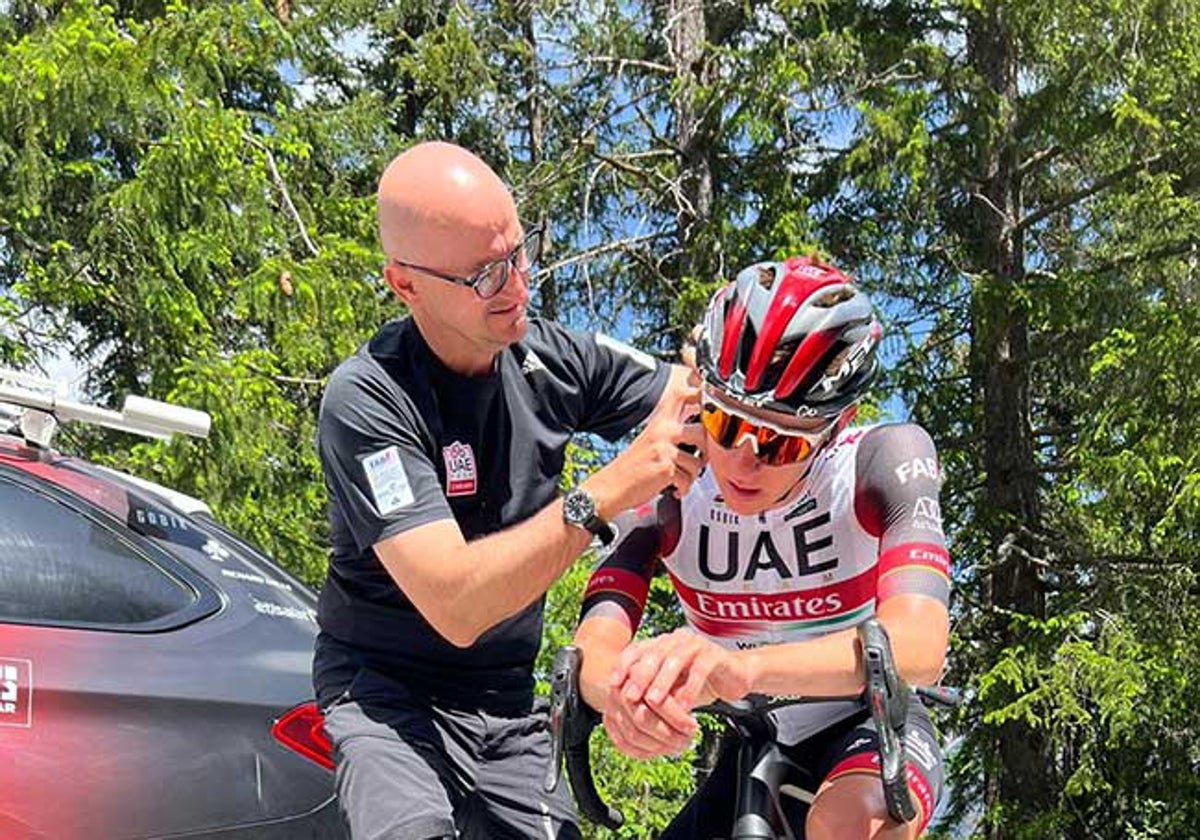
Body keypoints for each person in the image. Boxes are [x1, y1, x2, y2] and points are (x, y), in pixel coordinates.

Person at [313, 141, 704, 840]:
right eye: (487, 275)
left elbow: (695, 404)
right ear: (405, 285)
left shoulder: (552, 360)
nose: (518, 287)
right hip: (386, 695)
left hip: (507, 701)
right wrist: (603, 494)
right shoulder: (368, 400)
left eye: (519, 255)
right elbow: (457, 605)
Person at [574, 256, 952, 839]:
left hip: (870, 721)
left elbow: (919, 646)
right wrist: (633, 696)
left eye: (781, 441)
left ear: (835, 425)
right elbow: (591, 656)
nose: (744, 459)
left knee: (849, 825)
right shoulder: (665, 483)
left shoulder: (880, 459)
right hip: (752, 735)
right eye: (724, 425)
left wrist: (741, 668)